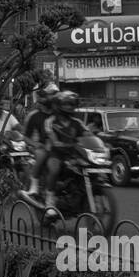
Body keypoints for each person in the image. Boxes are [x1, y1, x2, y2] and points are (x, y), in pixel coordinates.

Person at [39, 90, 86, 219]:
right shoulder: (51, 121)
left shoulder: (77, 123)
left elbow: (88, 135)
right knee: (54, 169)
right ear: (58, 105)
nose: (69, 107)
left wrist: (101, 144)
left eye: (71, 104)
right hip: (56, 154)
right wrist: (58, 143)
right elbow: (52, 138)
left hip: (73, 155)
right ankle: (50, 200)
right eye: (66, 104)